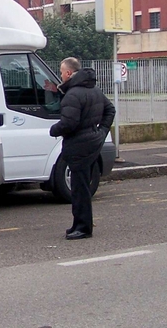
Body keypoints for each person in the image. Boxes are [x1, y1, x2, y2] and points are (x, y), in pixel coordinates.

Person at [49, 57, 116, 240]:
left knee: (80, 189)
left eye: (62, 72)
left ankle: (83, 227)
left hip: (79, 144)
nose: (61, 75)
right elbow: (110, 110)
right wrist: (101, 132)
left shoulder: (73, 94)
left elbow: (69, 123)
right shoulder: (93, 90)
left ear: (69, 73)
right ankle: (78, 224)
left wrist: (54, 130)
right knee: (81, 187)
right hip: (92, 142)